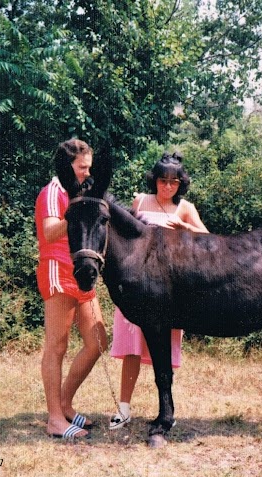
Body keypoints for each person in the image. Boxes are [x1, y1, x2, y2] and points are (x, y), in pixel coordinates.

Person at [109, 152, 208, 429]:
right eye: (162, 181)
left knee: (161, 352)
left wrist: (185, 227)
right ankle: (124, 409)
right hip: (133, 285)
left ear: (181, 184)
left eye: (173, 182)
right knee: (130, 350)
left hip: (169, 291)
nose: (167, 187)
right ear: (155, 180)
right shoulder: (139, 201)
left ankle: (165, 410)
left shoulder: (185, 208)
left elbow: (209, 240)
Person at [35, 138, 108, 439]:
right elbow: (50, 232)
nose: (87, 173)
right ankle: (54, 419)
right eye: (82, 168)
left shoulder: (85, 191)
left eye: (89, 168)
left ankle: (65, 403)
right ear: (68, 167)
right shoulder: (52, 192)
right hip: (57, 269)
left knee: (97, 341)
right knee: (57, 346)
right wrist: (76, 214)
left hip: (81, 271)